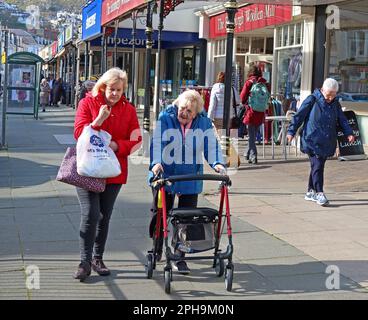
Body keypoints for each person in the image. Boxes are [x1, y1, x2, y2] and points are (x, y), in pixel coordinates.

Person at [73, 67, 142, 281]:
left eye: (119, 90)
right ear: (103, 87)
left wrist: (116, 145)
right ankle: (84, 262)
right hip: (88, 169)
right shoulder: (88, 103)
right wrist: (98, 121)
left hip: (113, 171)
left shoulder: (128, 110)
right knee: (91, 214)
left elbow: (137, 139)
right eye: (112, 89)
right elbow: (78, 134)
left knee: (104, 216)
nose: (115, 94)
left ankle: (97, 258)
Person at [149, 89, 226, 275]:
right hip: (165, 175)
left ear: (196, 112)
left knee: (186, 219)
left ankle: (179, 256)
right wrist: (156, 163)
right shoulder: (166, 118)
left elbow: (211, 146)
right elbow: (157, 143)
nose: (184, 113)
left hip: (190, 177)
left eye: (189, 111)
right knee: (160, 214)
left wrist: (217, 163)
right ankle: (157, 245)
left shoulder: (204, 123)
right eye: (182, 108)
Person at [287, 78, 355, 206]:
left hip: (327, 140)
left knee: (317, 166)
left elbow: (342, 119)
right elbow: (299, 116)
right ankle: (319, 193)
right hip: (311, 139)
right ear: (322, 90)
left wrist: (349, 133)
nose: (330, 98)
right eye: (328, 95)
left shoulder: (335, 104)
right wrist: (291, 131)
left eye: (333, 95)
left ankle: (310, 191)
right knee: (317, 166)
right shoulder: (312, 100)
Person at [240, 65, 270, 164]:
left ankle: (254, 156)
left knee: (251, 136)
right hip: (261, 112)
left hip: (251, 112)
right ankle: (247, 153)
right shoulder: (265, 83)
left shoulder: (249, 82)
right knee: (252, 135)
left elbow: (242, 97)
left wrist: (244, 103)